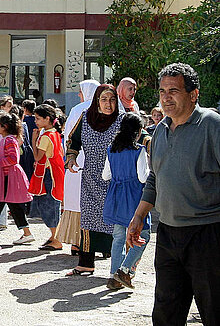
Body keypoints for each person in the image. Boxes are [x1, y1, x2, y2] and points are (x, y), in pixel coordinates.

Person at [128, 63, 220, 325]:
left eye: (174, 91)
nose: (166, 97)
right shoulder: (160, 131)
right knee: (166, 314)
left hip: (208, 235)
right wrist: (138, 216)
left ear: (194, 95)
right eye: (162, 91)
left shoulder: (212, 126)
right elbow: (155, 178)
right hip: (168, 234)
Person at [65, 84, 122, 276]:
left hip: (116, 180)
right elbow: (73, 141)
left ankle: (119, 267)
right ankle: (86, 263)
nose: (108, 104)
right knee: (88, 219)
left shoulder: (123, 121)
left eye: (112, 100)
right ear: (97, 101)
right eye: (104, 100)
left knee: (116, 222)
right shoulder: (86, 119)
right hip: (90, 178)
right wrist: (71, 158)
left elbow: (141, 136)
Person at [102, 112, 150, 291]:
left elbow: (105, 175)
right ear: (138, 132)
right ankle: (123, 271)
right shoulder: (139, 151)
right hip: (134, 198)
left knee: (119, 237)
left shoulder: (111, 149)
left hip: (115, 196)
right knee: (142, 236)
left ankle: (113, 275)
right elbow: (143, 177)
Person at [56, 79, 100, 254]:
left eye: (81, 91)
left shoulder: (78, 110)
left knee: (77, 204)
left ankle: (77, 242)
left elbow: (69, 136)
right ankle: (97, 245)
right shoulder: (107, 109)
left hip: (77, 163)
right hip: (97, 165)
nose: (78, 95)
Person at [0, 110, 33, 245]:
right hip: (4, 178)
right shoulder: (4, 139)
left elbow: (13, 159)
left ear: (5, 127)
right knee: (12, 206)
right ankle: (27, 233)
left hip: (8, 178)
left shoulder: (9, 140)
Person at [28, 104, 65, 251]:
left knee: (48, 205)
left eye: (38, 118)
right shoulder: (54, 133)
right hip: (54, 172)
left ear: (47, 119)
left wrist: (33, 140)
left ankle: (56, 238)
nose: (35, 121)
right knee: (52, 204)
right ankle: (53, 236)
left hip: (47, 174)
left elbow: (37, 157)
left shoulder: (45, 136)